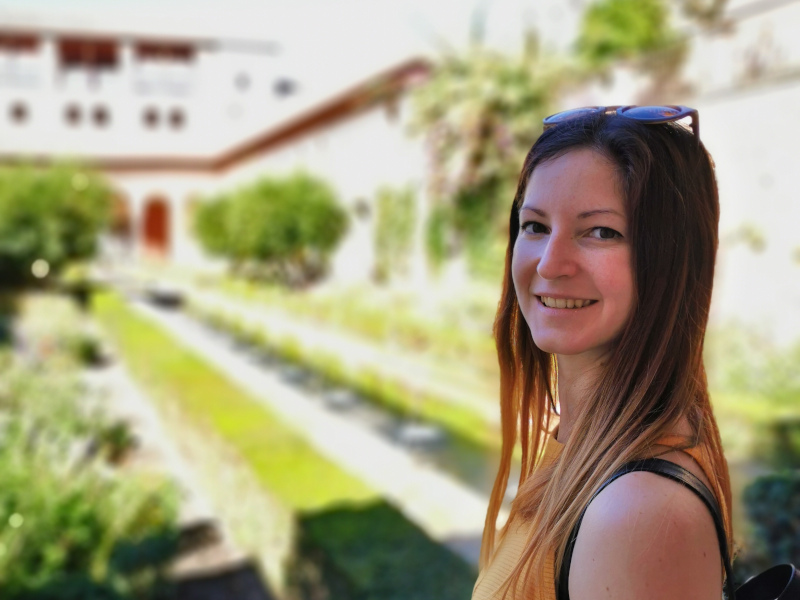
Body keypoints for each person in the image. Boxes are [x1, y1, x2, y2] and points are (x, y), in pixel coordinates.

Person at [472, 106, 733, 600]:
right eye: (535, 226)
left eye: (601, 232)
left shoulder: (637, 512)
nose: (550, 264)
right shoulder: (583, 446)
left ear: (670, 260)